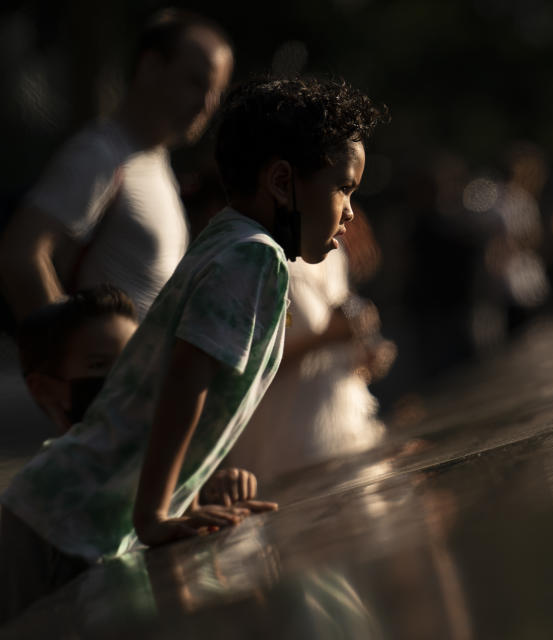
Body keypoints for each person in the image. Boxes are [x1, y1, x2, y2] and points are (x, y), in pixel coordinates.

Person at [0, 76, 387, 623]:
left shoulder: (230, 241)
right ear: (282, 181)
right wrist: (155, 511)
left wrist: (188, 495)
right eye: (343, 187)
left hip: (71, 516)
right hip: (62, 523)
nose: (349, 211)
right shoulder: (253, 257)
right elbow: (187, 377)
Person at [0, 9, 234, 322]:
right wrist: (69, 359)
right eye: (196, 82)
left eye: (217, 92)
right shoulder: (99, 154)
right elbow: (22, 255)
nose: (207, 105)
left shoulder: (154, 163)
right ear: (150, 66)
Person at [15, 283, 262, 504]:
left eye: (132, 359)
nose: (127, 376)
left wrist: (217, 490)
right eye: (98, 365)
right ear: (44, 389)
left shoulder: (178, 470)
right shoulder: (41, 496)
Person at [226, 249, 397, 481]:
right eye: (342, 208)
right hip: (294, 455)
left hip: (353, 431)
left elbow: (339, 338)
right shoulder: (260, 262)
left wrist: (363, 354)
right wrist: (326, 337)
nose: (348, 213)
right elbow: (236, 367)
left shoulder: (335, 254)